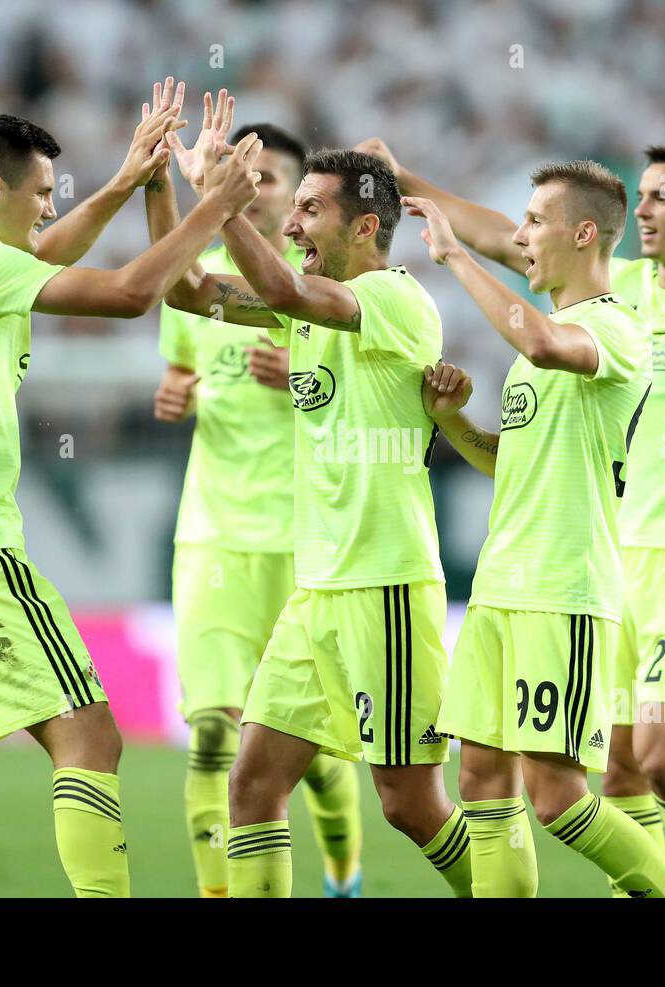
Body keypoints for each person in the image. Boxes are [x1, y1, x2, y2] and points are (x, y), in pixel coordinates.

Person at [358, 133, 665, 897]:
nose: (647, 207)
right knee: (576, 770)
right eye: (643, 194)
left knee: (652, 762)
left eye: (664, 195)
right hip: (600, 559)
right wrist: (400, 179)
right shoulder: (618, 287)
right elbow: (509, 237)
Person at [0, 79, 261, 897]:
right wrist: (212, 207)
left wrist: (124, 181)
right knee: (91, 737)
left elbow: (42, 257)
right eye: (42, 193)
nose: (49, 209)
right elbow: (130, 293)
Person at [146, 109, 471, 898]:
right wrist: (165, 183)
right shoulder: (307, 305)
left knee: (410, 803)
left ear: (365, 227)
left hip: (383, 585)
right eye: (292, 209)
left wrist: (222, 202)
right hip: (315, 590)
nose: (290, 221)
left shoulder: (395, 301)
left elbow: (284, 285)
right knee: (252, 783)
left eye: (309, 209)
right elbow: (188, 291)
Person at [404, 163, 665, 897]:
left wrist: (456, 255)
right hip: (501, 587)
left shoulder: (618, 328)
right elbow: (511, 462)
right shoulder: (541, 353)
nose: (522, 235)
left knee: (558, 796)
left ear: (584, 232)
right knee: (480, 780)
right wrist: (452, 425)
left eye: (535, 220)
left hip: (563, 587)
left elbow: (538, 341)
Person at [152, 95, 362, 898]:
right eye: (242, 171)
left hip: (308, 544)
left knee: (308, 756)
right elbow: (181, 357)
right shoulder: (207, 285)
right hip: (212, 537)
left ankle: (343, 873)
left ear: (297, 194)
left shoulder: (324, 288)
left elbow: (379, 398)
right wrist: (177, 392)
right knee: (212, 734)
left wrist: (308, 383)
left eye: (269, 176)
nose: (257, 185)